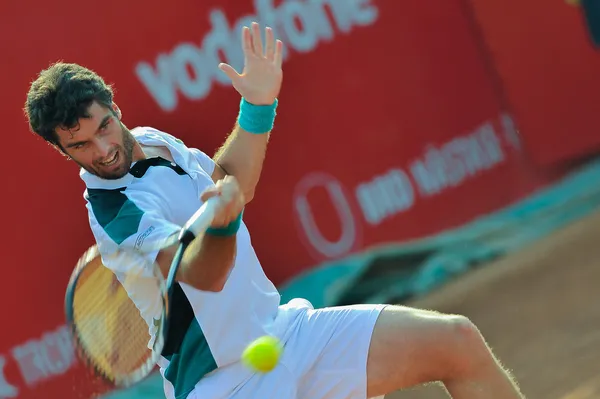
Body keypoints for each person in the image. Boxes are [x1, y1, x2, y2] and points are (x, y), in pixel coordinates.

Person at [24, 22, 525, 399]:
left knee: (458, 341)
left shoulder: (153, 143)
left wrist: (258, 107)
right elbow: (201, 274)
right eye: (82, 145)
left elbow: (227, 181)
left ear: (115, 107)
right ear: (62, 151)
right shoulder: (116, 214)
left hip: (286, 333)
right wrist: (222, 223)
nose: (104, 149)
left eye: (104, 127)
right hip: (225, 385)